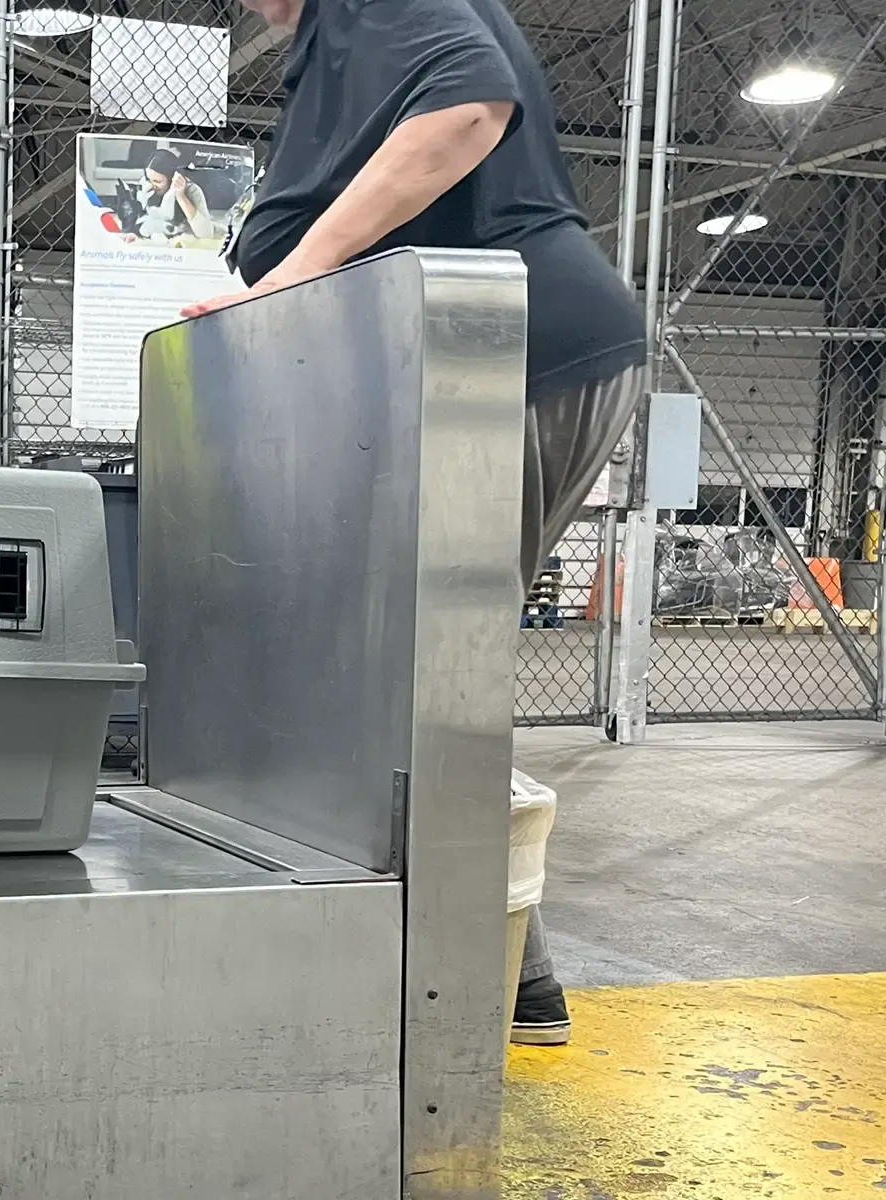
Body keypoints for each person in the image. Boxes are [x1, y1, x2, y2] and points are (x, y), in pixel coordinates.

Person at [182, 0, 647, 1045]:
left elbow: (466, 109)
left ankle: (464, 991)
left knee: (421, 689)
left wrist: (293, 275)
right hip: (485, 359)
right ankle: (504, 973)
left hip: (498, 360)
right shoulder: (333, 33)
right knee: (415, 681)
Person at [125, 149, 218, 243]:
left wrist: (181, 197)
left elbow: (206, 234)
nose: (152, 185)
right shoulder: (146, 185)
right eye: (149, 179)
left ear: (171, 178)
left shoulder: (192, 190)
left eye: (157, 181)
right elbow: (139, 218)